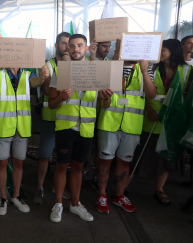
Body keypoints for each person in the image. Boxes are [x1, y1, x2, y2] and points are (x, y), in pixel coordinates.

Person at [48, 34, 113, 223]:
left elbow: (106, 106)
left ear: (86, 49)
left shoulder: (97, 72)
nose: (76, 48)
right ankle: (58, 204)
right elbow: (52, 104)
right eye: (72, 45)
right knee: (61, 166)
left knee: (78, 167)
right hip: (65, 128)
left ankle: (75, 204)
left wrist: (107, 97)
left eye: (80, 45)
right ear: (67, 49)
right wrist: (60, 97)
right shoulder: (60, 71)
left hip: (86, 128)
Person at [0, 62, 48, 215]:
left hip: (21, 127)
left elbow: (36, 82)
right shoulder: (0, 74)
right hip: (3, 126)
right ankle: (3, 197)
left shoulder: (27, 74)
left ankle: (16, 196)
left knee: (19, 163)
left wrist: (42, 77)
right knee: (2, 162)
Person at [95, 53, 156, 214]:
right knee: (105, 161)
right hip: (108, 123)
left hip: (132, 126)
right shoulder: (110, 68)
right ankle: (101, 195)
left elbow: (151, 94)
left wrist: (144, 71)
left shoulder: (146, 69)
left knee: (124, 162)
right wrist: (105, 98)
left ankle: (119, 195)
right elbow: (102, 98)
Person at [137, 39, 190, 206]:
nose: (160, 53)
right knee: (145, 153)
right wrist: (149, 109)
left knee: (167, 156)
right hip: (151, 118)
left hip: (173, 121)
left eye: (163, 50)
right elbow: (142, 92)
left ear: (173, 51)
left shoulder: (187, 70)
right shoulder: (152, 69)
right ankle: (130, 185)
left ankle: (159, 189)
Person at [34, 32, 71, 204]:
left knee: (64, 157)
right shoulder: (48, 66)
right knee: (45, 154)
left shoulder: (77, 66)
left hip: (69, 120)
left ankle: (58, 186)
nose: (66, 47)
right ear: (56, 46)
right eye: (63, 43)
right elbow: (48, 92)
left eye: (69, 44)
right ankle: (40, 187)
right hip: (51, 118)